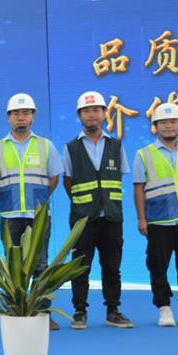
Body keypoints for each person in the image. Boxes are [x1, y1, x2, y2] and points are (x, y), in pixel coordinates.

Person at [0, 93, 64, 330]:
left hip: (37, 216)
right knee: (13, 265)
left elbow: (54, 179)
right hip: (10, 216)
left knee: (41, 264)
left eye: (26, 113)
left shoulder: (46, 146)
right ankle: (16, 311)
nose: (21, 117)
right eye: (16, 113)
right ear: (8, 117)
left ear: (33, 117)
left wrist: (38, 200)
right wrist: (8, 199)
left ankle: (43, 313)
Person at [63, 90, 133, 329]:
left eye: (96, 110)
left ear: (104, 113)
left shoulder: (116, 145)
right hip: (83, 219)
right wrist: (85, 204)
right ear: (79, 115)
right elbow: (67, 181)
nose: (91, 114)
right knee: (79, 267)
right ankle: (79, 311)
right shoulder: (71, 147)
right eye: (86, 111)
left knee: (112, 267)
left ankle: (113, 310)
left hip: (111, 217)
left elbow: (119, 177)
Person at [132, 102, 178, 326]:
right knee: (158, 266)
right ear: (155, 126)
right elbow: (138, 188)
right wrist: (142, 218)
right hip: (159, 221)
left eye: (173, 121)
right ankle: (164, 308)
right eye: (164, 122)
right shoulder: (144, 154)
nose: (169, 126)